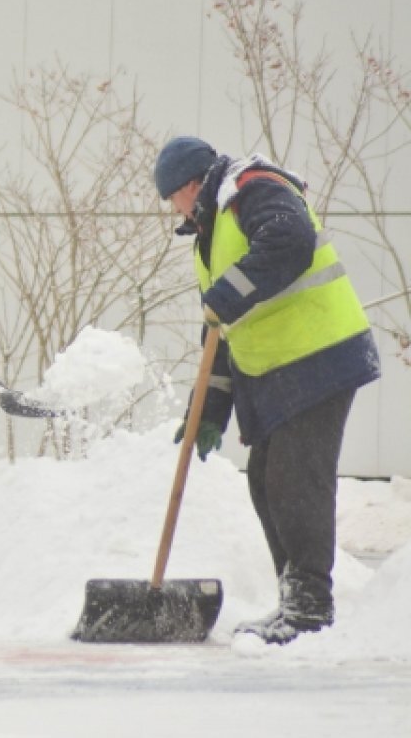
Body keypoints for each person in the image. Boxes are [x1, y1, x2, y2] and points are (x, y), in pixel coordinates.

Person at [153, 136, 381, 645]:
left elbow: (289, 241)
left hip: (319, 355)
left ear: (190, 185)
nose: (175, 208)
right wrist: (207, 412)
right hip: (283, 368)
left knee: (294, 478)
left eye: (173, 197)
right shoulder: (210, 237)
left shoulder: (253, 189)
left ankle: (309, 609)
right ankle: (294, 601)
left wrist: (226, 295)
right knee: (265, 478)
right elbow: (223, 335)